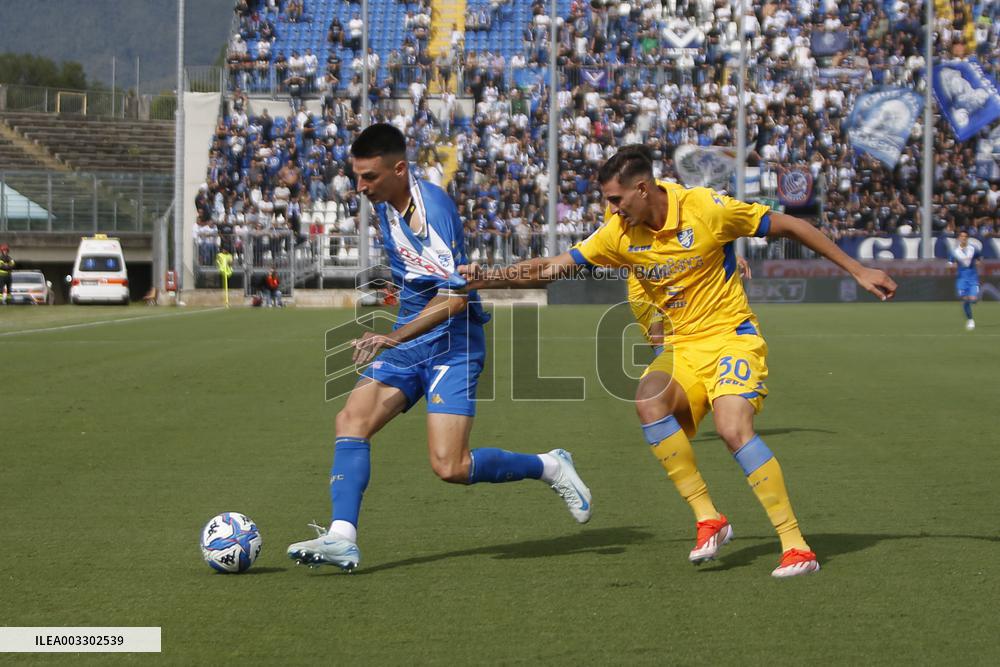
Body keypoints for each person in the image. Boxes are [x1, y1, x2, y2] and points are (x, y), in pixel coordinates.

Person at [461, 146, 897, 578]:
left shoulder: (705, 207)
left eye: (615, 200)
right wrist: (491, 277)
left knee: (732, 429)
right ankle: (709, 518)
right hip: (683, 348)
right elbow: (553, 267)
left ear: (643, 189)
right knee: (648, 400)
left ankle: (796, 545)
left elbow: (789, 224)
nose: (610, 210)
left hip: (732, 339)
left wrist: (856, 270)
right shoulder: (618, 232)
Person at [286, 124, 592, 572]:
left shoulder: (432, 211)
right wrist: (401, 332)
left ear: (399, 169)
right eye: (357, 176)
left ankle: (549, 466)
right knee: (351, 419)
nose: (360, 187)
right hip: (412, 337)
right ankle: (342, 537)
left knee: (450, 466)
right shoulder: (389, 204)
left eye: (369, 177)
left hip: (452, 341)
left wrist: (393, 336)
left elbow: (456, 296)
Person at [949, 229, 981, 330]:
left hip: (972, 278)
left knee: (973, 299)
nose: (963, 238)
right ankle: (970, 320)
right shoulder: (955, 252)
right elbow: (950, 263)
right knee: (965, 299)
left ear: (967, 238)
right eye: (961, 236)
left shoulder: (973, 249)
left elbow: (979, 259)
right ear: (959, 238)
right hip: (961, 279)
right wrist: (951, 266)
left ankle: (974, 299)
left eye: (965, 237)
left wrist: (978, 263)